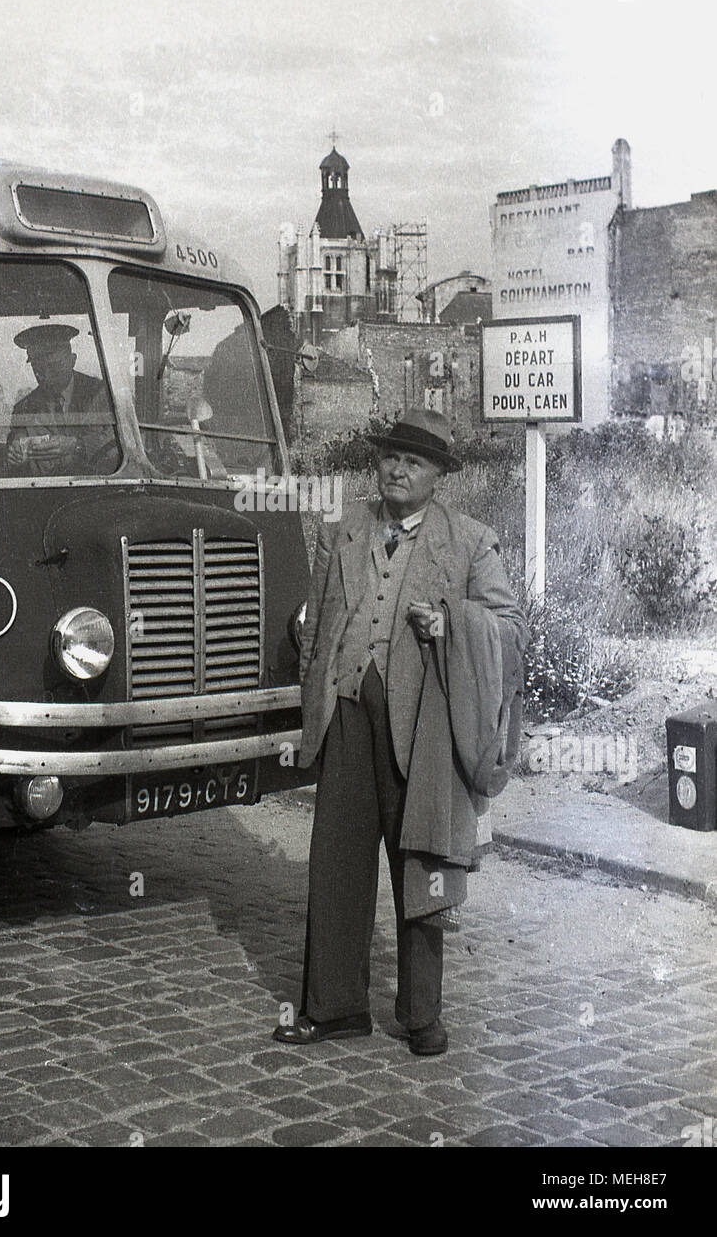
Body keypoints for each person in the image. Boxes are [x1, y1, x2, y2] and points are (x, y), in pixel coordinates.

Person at [273, 408, 529, 1056]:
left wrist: (453, 625)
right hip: (347, 717)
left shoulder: (469, 542)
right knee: (334, 865)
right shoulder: (343, 529)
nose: (396, 469)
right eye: (389, 456)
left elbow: (510, 631)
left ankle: (421, 1015)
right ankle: (333, 1008)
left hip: (426, 731)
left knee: (424, 865)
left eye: (413, 461)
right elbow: (316, 629)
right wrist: (313, 713)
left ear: (439, 475)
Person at [7, 323, 118, 475]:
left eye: (54, 366)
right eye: (38, 369)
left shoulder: (101, 395)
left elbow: (120, 443)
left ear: (73, 360)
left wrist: (76, 446)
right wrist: (15, 453)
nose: (46, 376)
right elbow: (15, 450)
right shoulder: (24, 408)